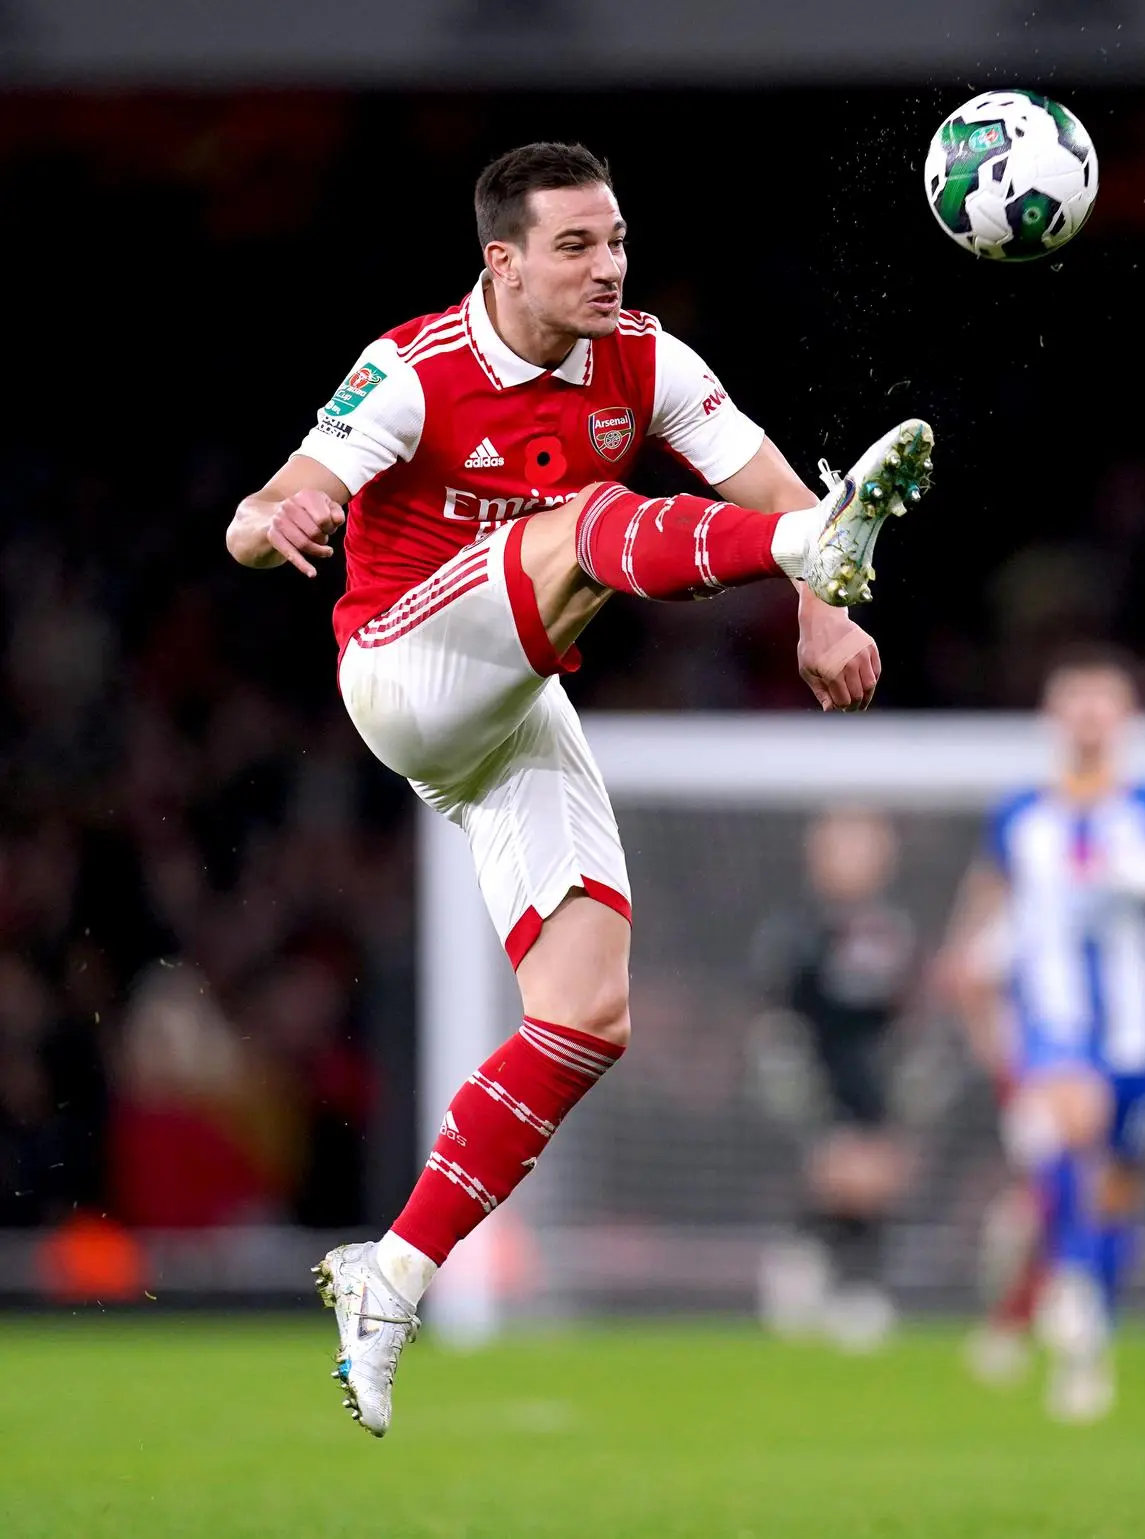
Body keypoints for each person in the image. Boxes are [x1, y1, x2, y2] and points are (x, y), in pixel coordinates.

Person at [226, 140, 935, 1435]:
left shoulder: (650, 360)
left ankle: (394, 1271)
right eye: (576, 246)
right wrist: (274, 520)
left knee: (587, 1012)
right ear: (503, 261)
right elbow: (274, 496)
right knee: (588, 524)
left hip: (509, 703)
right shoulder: (415, 367)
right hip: (403, 667)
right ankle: (798, 551)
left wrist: (819, 611)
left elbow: (767, 477)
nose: (608, 267)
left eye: (616, 241)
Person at [939, 645, 1145, 1421]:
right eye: (1072, 700)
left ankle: (1088, 1336)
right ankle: (1064, 1300)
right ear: (1054, 715)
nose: (1086, 716)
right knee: (1069, 1128)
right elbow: (978, 921)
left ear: (1126, 716)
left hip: (1140, 1032)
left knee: (1116, 1187)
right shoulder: (1018, 814)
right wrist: (976, 995)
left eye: (1101, 701)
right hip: (1053, 1024)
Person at [751, 808, 917, 1350]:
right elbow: (775, 1034)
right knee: (841, 1175)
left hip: (873, 1095)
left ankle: (857, 1287)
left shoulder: (896, 932)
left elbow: (910, 1030)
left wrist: (900, 1115)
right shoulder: (794, 933)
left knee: (874, 1178)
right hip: (813, 1095)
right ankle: (804, 1267)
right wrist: (816, 1124)